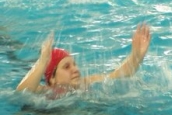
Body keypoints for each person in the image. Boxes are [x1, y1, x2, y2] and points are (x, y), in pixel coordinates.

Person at [15, 23, 151, 93]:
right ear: (52, 78)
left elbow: (122, 74)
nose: (75, 69)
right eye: (66, 67)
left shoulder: (85, 82)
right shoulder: (45, 91)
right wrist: (42, 62)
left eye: (74, 64)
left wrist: (136, 55)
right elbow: (22, 91)